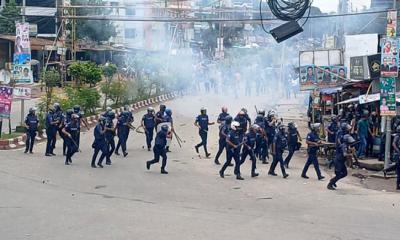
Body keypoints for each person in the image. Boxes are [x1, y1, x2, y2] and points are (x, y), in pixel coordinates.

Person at [391, 126, 400, 190]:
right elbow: (393, 144)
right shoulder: (397, 136)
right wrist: (398, 151)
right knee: (399, 171)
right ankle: (397, 185)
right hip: (398, 156)